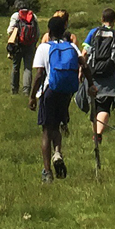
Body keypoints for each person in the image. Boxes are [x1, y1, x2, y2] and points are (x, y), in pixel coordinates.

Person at [27, 10, 84, 182]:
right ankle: (57, 153)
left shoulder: (44, 48)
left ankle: (47, 172)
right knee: (58, 125)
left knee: (46, 130)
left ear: (49, 32)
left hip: (49, 91)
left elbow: (39, 74)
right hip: (66, 91)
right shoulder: (72, 46)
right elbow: (85, 65)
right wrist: (91, 85)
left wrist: (31, 97)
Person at [81, 8, 115, 170]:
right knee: (105, 105)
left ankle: (96, 132)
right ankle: (98, 133)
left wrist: (81, 71)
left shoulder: (93, 32)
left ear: (101, 18)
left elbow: (84, 53)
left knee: (96, 104)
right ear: (114, 20)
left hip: (93, 73)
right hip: (110, 75)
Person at [5, 0, 40, 96]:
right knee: (28, 68)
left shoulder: (16, 16)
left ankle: (14, 89)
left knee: (16, 67)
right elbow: (37, 33)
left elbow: (9, 31)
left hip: (17, 45)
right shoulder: (33, 16)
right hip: (30, 45)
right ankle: (26, 91)